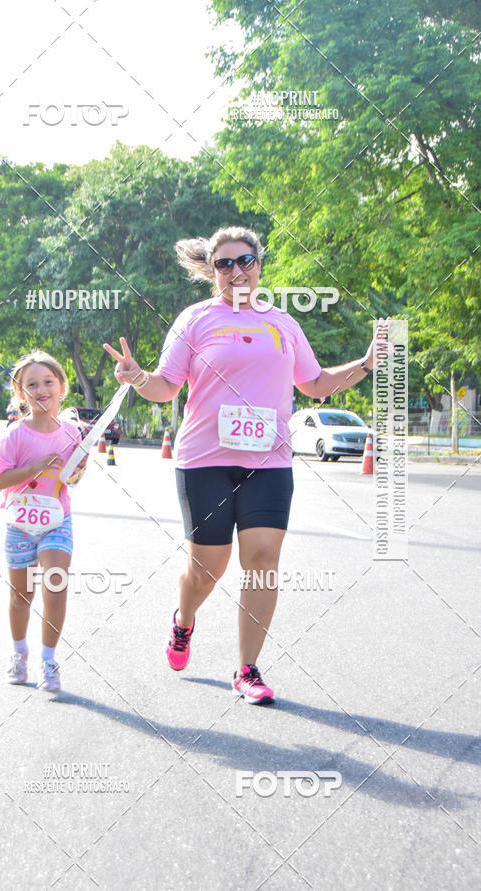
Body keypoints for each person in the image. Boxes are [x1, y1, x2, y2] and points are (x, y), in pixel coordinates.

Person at [104, 225, 389, 705]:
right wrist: (136, 377)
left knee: (261, 563)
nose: (237, 271)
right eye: (225, 263)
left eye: (246, 260)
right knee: (208, 568)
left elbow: (315, 384)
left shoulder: (282, 323)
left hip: (269, 463)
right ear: (212, 270)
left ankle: (248, 669)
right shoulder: (195, 320)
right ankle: (184, 620)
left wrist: (365, 363)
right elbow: (166, 386)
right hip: (204, 461)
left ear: (259, 264)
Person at [0, 351, 87, 692]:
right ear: (21, 394)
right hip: (19, 522)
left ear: (61, 386)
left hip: (57, 520)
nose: (41, 388)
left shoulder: (73, 432)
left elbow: (73, 478)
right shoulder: (15, 434)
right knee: (21, 596)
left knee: (56, 587)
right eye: (31, 384)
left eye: (48, 381)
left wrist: (78, 469)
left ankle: (49, 660)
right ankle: (20, 654)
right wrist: (35, 468)